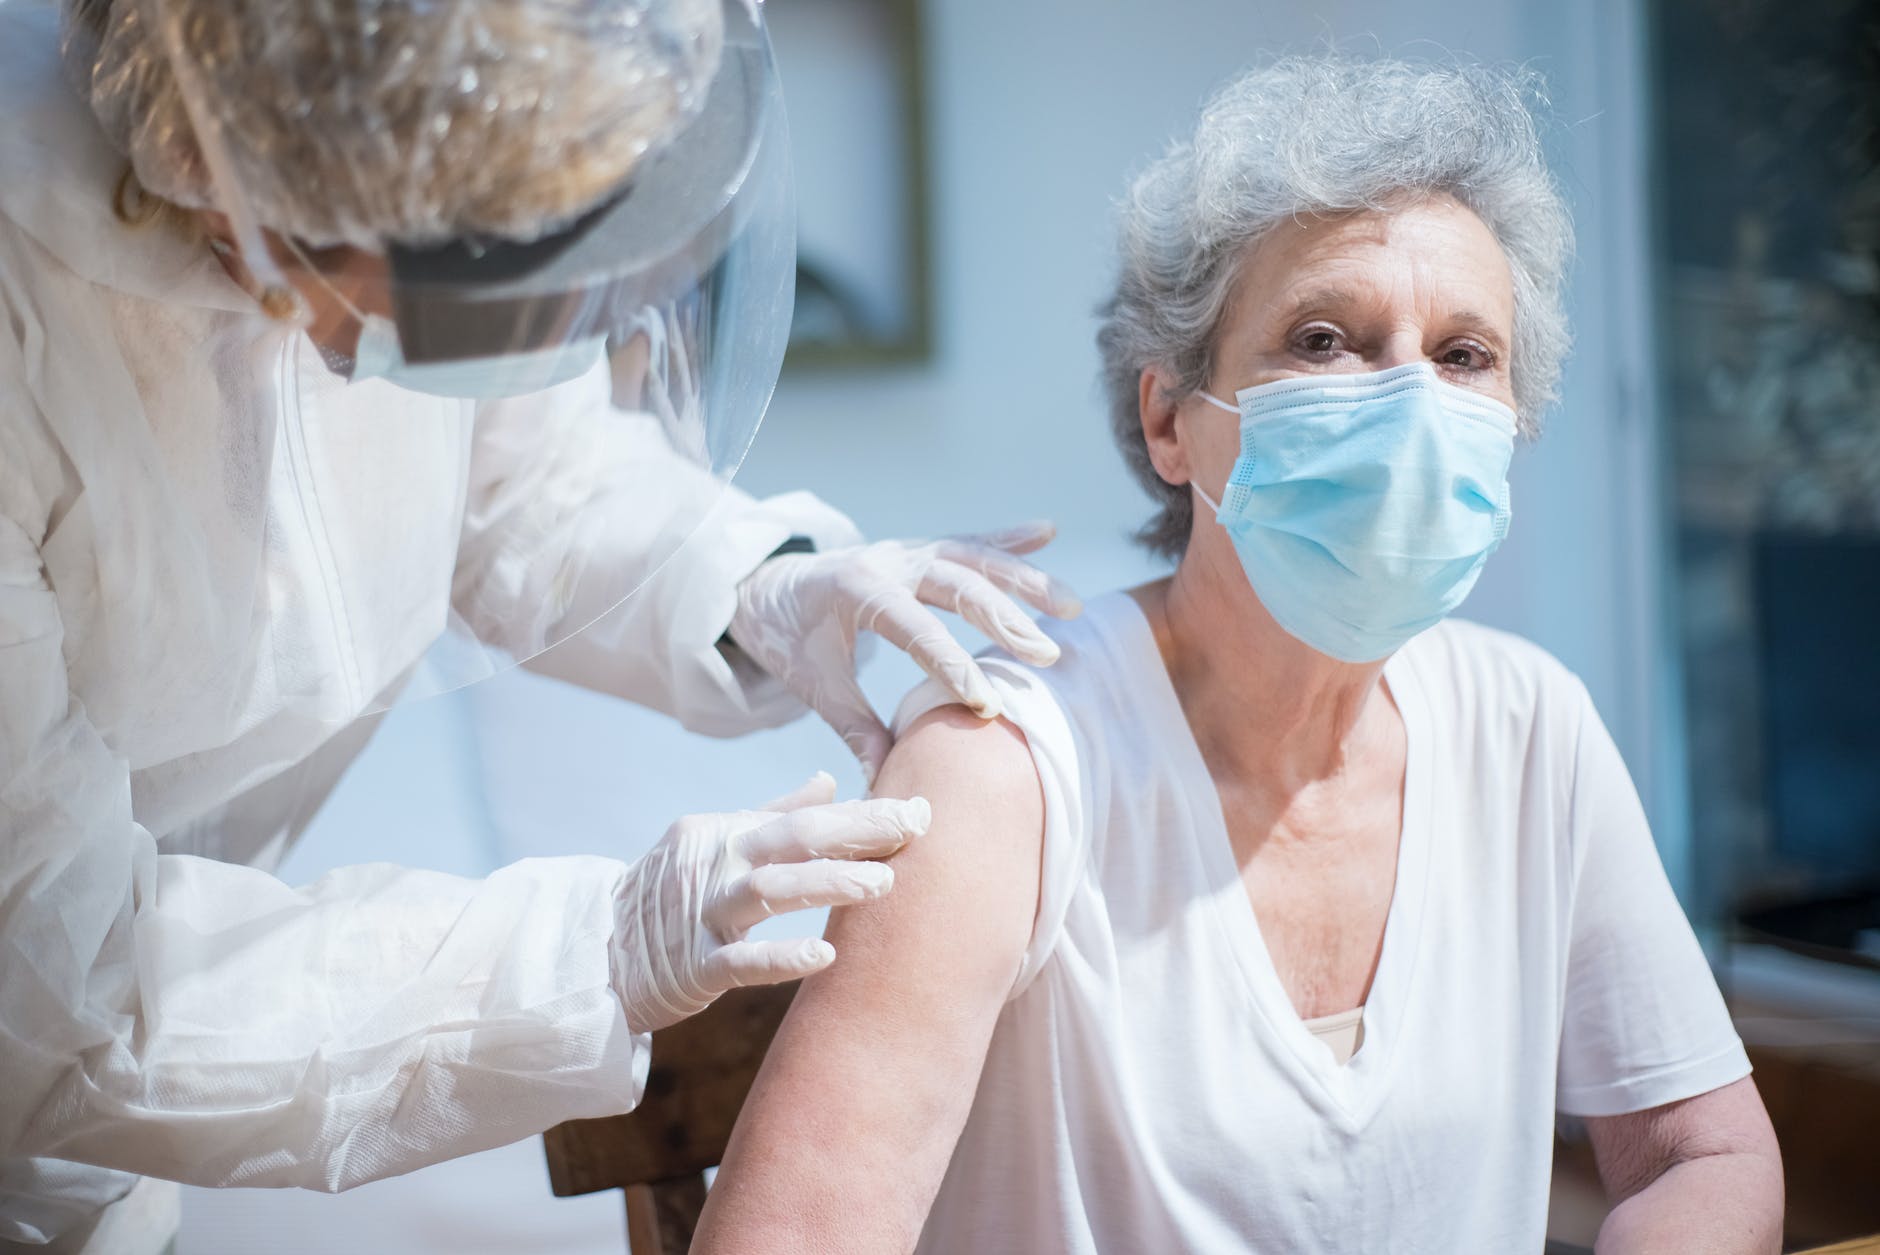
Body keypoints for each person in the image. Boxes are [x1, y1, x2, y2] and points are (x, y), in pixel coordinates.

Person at [0, 0, 1083, 1248]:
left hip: (112, 1169)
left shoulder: (397, 211)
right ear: (242, 168)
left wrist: (754, 589)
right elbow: (56, 990)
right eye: (478, 280)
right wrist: (589, 953)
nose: (511, 324)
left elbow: (519, 482)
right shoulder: (41, 318)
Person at [695, 57, 1786, 1255]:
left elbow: (1703, 1154)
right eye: (1324, 339)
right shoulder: (1002, 771)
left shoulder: (1527, 726)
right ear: (1170, 420)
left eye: (1464, 355)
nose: (1409, 405)